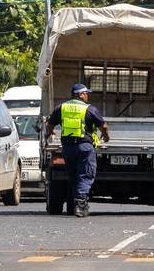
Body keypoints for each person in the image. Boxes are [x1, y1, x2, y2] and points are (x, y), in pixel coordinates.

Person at [46, 83, 109, 217]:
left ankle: (78, 203)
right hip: (84, 147)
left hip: (68, 148)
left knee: (74, 176)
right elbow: (103, 125)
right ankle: (80, 204)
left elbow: (50, 123)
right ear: (80, 94)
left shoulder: (61, 107)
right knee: (85, 175)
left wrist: (50, 132)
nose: (87, 96)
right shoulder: (89, 109)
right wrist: (105, 135)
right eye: (86, 94)